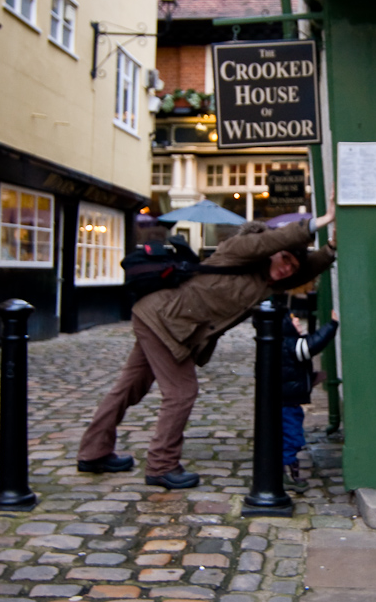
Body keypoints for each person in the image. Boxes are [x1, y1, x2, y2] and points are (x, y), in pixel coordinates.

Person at [77, 195, 336, 489]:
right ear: (272, 252)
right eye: (285, 259)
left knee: (128, 388)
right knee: (181, 392)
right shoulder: (238, 250)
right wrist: (319, 222)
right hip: (164, 321)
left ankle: (93, 452)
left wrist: (330, 249)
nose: (288, 268)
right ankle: (161, 465)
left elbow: (302, 270)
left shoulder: (263, 280)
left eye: (293, 264)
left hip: (167, 324)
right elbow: (268, 242)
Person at [280, 307, 339, 493]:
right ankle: (288, 473)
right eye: (292, 319)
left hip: (288, 399)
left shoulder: (286, 343)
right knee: (291, 435)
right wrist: (332, 325)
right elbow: (312, 345)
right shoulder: (290, 344)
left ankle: (286, 469)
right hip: (288, 402)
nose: (297, 320)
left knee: (289, 434)